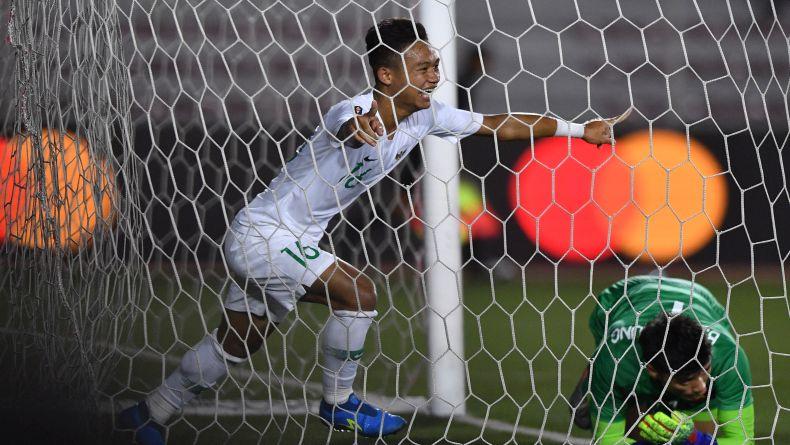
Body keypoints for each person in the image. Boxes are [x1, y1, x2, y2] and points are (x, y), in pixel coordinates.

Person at [119, 17, 617, 443]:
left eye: (435, 65)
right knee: (357, 292)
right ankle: (339, 401)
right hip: (263, 235)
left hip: (288, 240)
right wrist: (357, 129)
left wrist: (580, 130)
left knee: (236, 342)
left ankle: (149, 414)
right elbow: (345, 122)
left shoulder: (426, 117)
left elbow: (498, 123)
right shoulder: (355, 109)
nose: (433, 75)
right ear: (386, 74)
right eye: (422, 67)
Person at [569, 275, 754, 445]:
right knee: (636, 427)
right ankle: (592, 377)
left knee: (700, 433)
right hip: (622, 302)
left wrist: (694, 439)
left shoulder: (728, 358)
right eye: (686, 380)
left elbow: (743, 441)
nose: (701, 386)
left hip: (699, 298)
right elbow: (607, 440)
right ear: (652, 370)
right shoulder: (616, 360)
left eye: (705, 370)